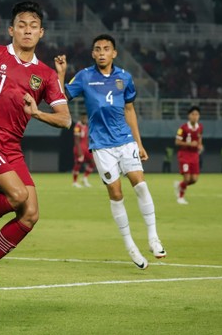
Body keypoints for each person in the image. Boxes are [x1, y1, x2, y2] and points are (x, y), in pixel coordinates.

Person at [0, 1, 71, 298]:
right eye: (21, 25)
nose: (27, 31)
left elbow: (65, 119)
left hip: (11, 147)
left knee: (30, 214)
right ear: (11, 29)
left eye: (33, 26)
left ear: (41, 33)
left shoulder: (46, 75)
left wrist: (37, 114)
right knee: (17, 195)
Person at [59, 34, 166, 270]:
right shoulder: (84, 77)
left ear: (114, 53)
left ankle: (153, 238)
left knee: (141, 185)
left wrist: (139, 142)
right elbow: (60, 97)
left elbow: (129, 110)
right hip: (101, 145)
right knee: (116, 194)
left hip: (125, 140)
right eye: (97, 49)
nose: (101, 53)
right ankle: (130, 245)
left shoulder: (125, 77)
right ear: (93, 53)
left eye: (106, 49)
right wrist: (61, 73)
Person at [174, 106, 203, 205]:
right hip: (184, 154)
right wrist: (189, 144)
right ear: (189, 116)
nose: (195, 116)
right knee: (187, 178)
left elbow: (199, 139)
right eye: (193, 114)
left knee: (194, 180)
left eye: (197, 115)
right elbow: (177, 142)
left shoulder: (200, 127)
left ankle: (180, 185)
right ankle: (180, 197)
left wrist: (199, 145)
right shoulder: (183, 128)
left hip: (194, 155)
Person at [72, 112, 95, 188]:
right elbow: (77, 140)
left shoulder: (86, 126)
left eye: (86, 118)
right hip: (79, 148)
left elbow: (87, 138)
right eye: (84, 118)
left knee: (93, 163)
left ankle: (84, 178)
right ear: (81, 118)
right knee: (78, 164)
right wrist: (79, 151)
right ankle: (74, 182)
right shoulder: (77, 126)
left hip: (86, 148)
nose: (85, 120)